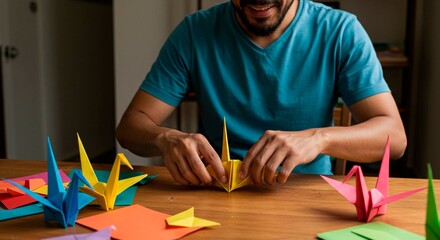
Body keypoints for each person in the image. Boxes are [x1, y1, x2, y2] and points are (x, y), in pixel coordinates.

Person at [116, 0, 407, 187]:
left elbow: (394, 137)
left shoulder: (341, 31)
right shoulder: (194, 32)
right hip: (215, 192)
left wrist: (319, 139)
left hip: (306, 191)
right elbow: (130, 127)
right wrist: (165, 138)